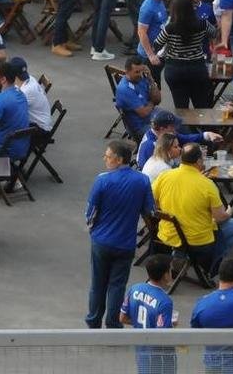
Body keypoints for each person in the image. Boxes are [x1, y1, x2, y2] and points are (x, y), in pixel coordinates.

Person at [86, 138, 154, 328]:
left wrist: (94, 230)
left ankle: (93, 321)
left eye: (107, 157)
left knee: (98, 284)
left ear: (118, 159)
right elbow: (149, 210)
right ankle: (113, 322)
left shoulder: (102, 181)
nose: (105, 159)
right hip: (125, 243)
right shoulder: (142, 180)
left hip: (101, 241)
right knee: (117, 285)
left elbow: (90, 212)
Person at [153, 143, 233, 276]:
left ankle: (181, 256)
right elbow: (219, 218)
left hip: (168, 234)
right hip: (198, 240)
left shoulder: (165, 176)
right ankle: (206, 265)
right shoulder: (207, 184)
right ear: (198, 161)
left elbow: (151, 200)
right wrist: (228, 213)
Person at [153, 0, 212, 110]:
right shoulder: (202, 24)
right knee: (201, 106)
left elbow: (157, 43)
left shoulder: (170, 28)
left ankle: (184, 127)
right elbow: (214, 33)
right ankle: (202, 127)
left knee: (181, 107)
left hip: (175, 69)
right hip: (197, 67)